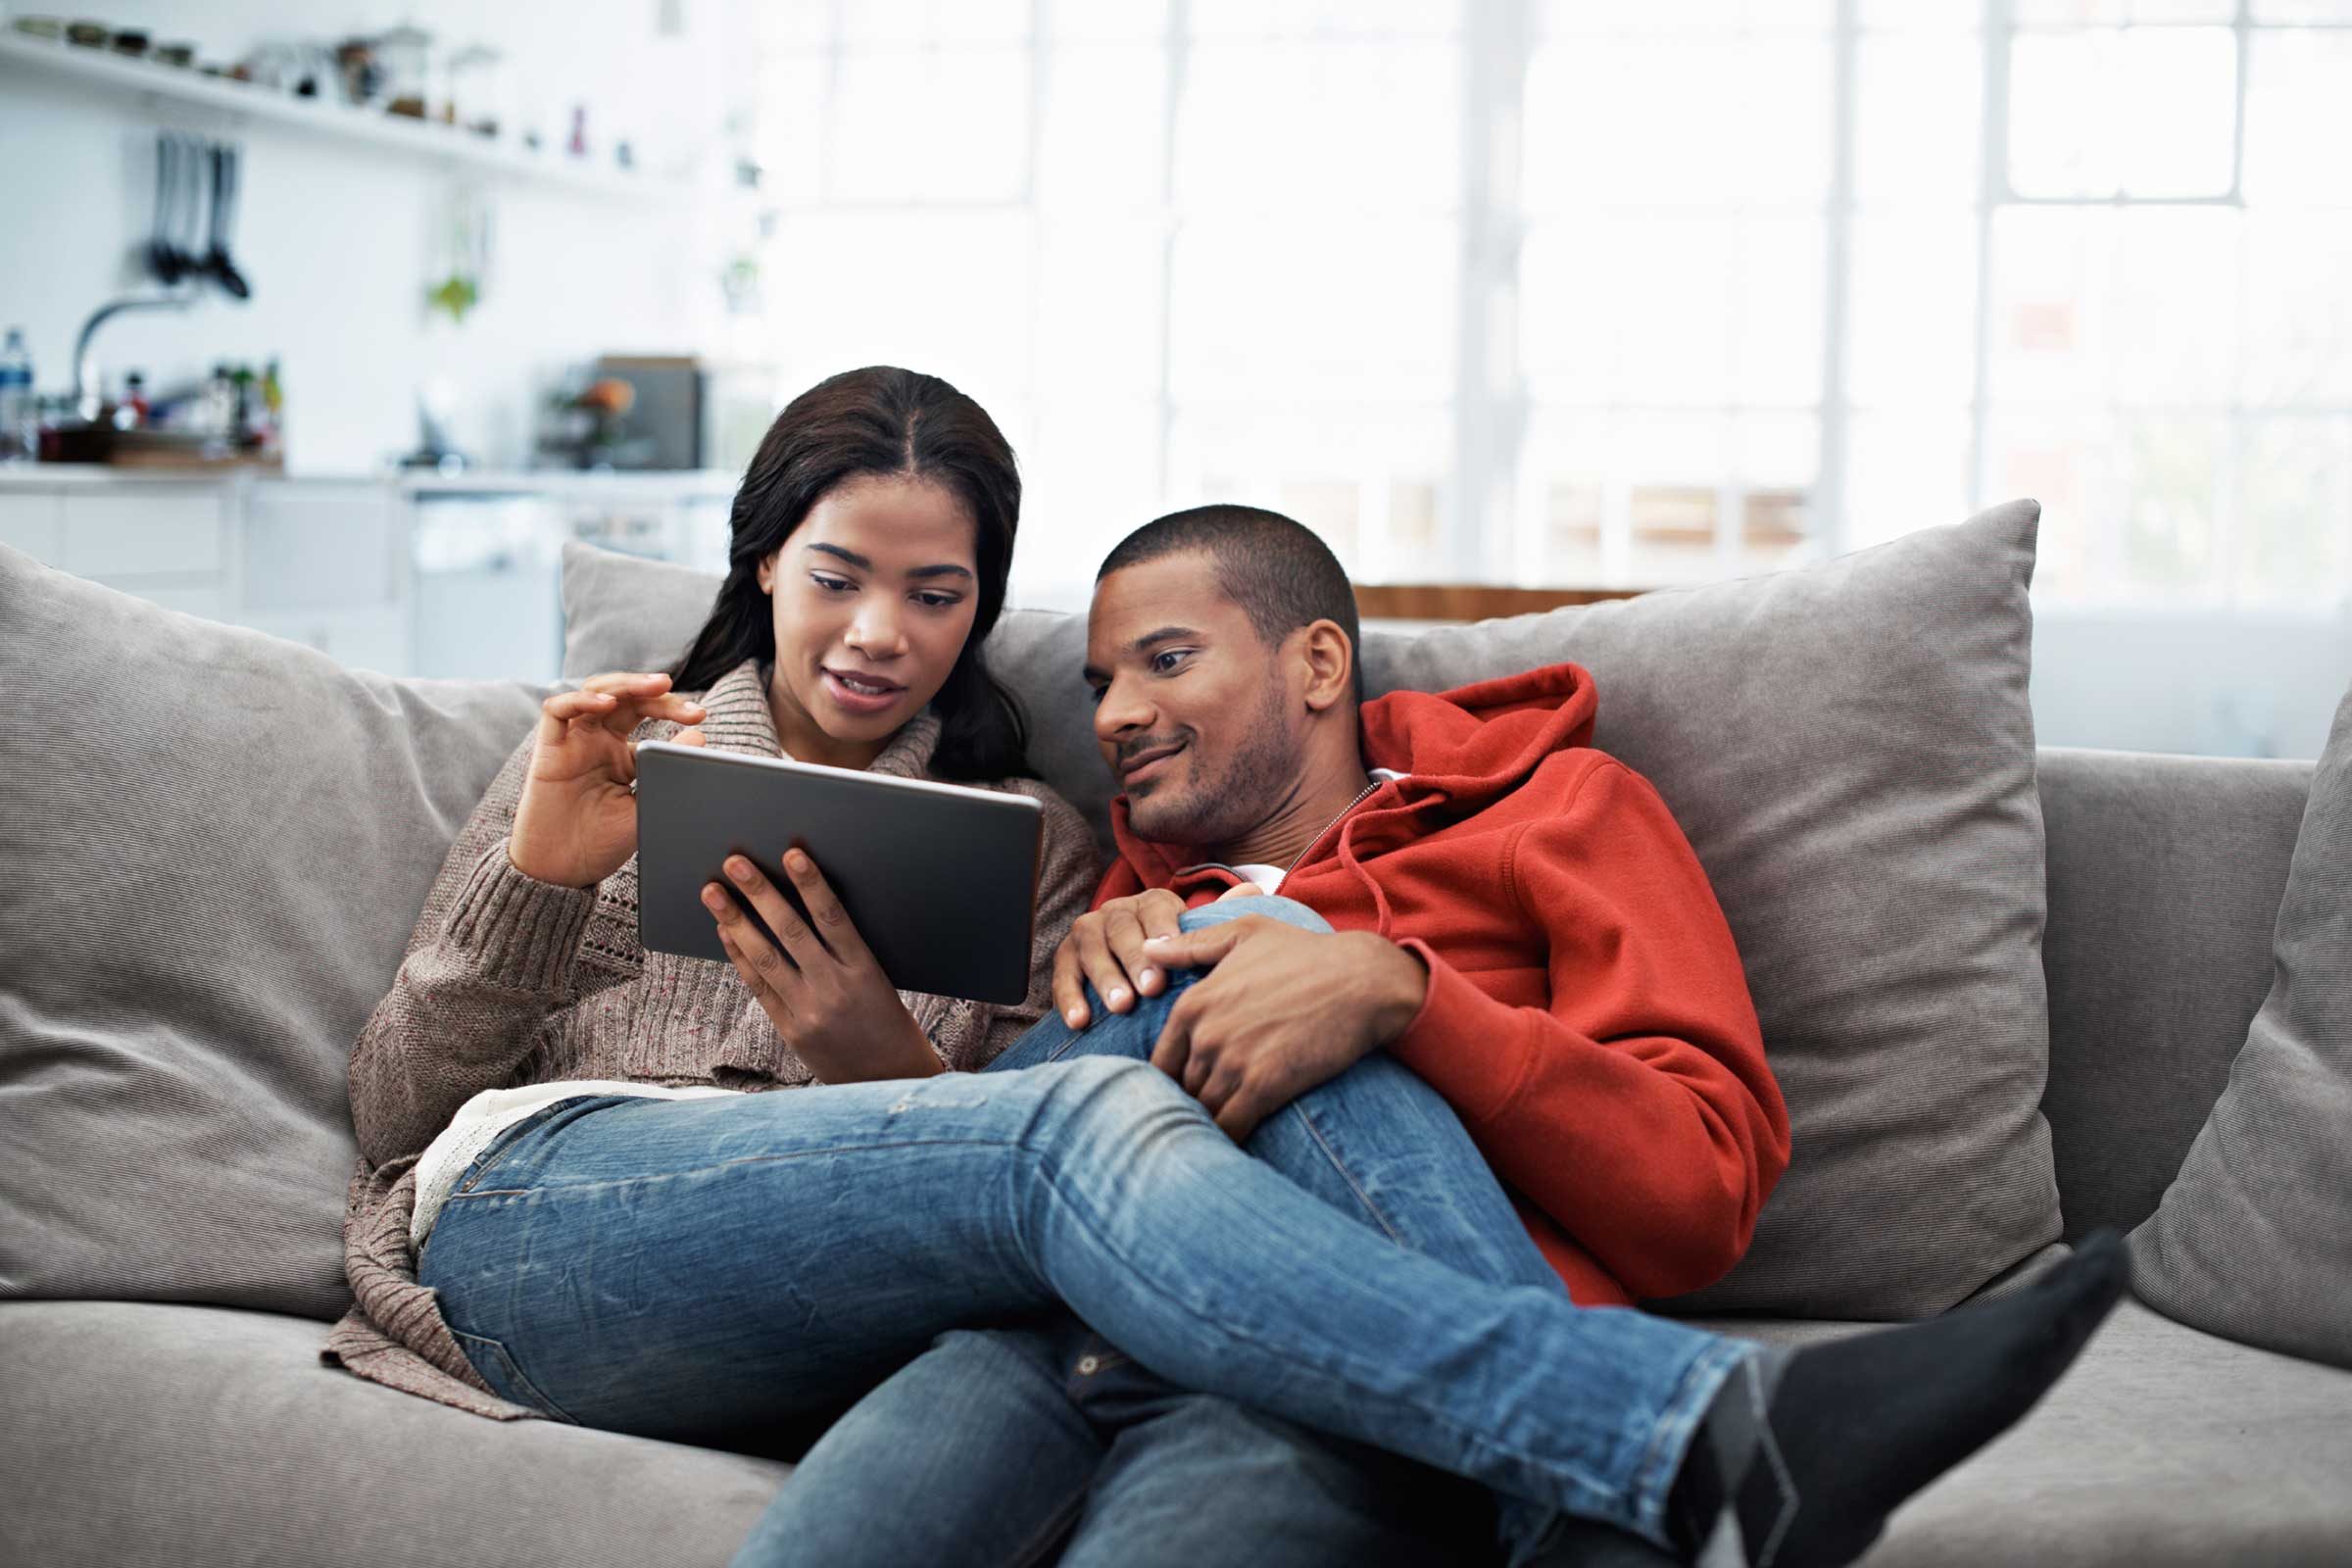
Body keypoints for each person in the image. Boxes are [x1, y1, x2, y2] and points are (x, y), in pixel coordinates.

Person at [740, 505, 2133, 1568]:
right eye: (1100, 683)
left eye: (1165, 663)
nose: (1113, 717)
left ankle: (1601, 1466)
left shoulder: (1558, 811)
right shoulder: (1120, 897)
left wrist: (1405, 995)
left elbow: (1700, 1200)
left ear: (1318, 663)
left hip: (1330, 1378)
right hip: (1036, 1341)